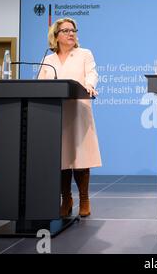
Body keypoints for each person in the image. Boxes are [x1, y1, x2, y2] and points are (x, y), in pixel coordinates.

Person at [38, 18, 102, 217]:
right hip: (56, 113)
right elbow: (40, 82)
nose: (71, 33)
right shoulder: (48, 59)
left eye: (73, 30)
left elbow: (92, 74)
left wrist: (90, 85)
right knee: (61, 158)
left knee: (81, 158)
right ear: (55, 36)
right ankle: (66, 198)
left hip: (78, 110)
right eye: (65, 31)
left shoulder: (84, 53)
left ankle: (84, 199)